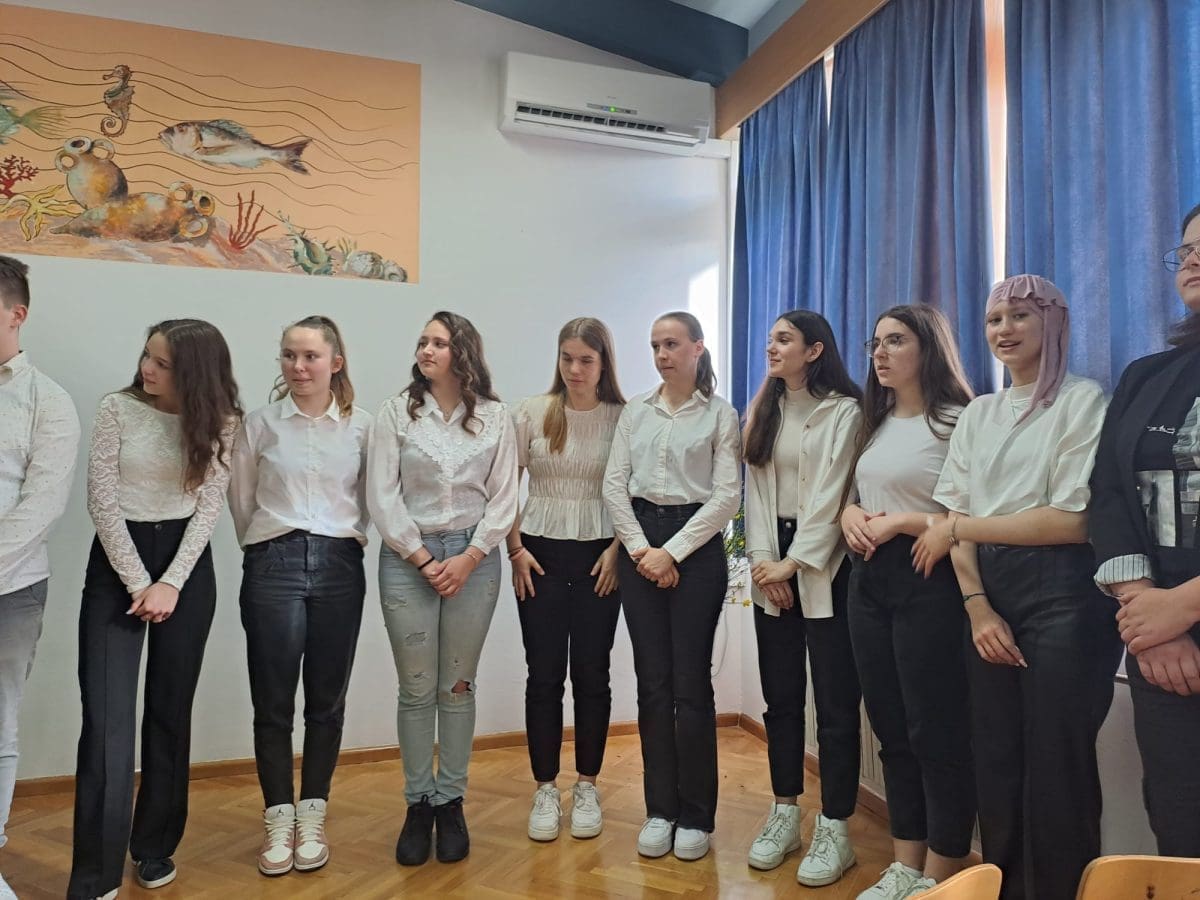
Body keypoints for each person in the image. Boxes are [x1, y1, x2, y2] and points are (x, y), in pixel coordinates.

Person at [917, 275, 1120, 900]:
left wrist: (958, 528)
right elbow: (954, 514)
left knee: (1058, 764)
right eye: (993, 319)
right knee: (996, 758)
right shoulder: (980, 412)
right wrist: (978, 607)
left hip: (1064, 592)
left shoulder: (1083, 401)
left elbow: (1070, 521)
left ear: (1053, 322)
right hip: (987, 587)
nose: (1003, 330)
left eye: (1019, 316)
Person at [68, 319, 242, 899]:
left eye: (163, 363)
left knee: (169, 713)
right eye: (147, 355)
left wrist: (170, 582)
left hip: (186, 568)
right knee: (107, 722)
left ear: (194, 371)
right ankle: (95, 876)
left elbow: (209, 507)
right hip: (118, 561)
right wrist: (140, 581)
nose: (147, 368)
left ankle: (154, 845)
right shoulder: (117, 409)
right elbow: (101, 500)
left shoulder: (222, 420)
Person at [368, 311, 518, 867]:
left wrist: (470, 556)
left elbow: (505, 497)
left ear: (463, 353)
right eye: (422, 342)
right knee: (415, 688)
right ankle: (418, 803)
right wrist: (426, 559)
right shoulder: (396, 413)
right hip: (408, 558)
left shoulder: (496, 417)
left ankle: (451, 801)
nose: (426, 350)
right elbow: (382, 496)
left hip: (475, 559)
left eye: (438, 342)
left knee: (457, 686)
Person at [228, 316, 371, 876]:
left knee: (327, 701)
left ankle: (312, 813)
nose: (298, 366)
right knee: (273, 701)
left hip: (339, 566)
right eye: (289, 355)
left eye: (310, 356)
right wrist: (270, 549)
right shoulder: (259, 425)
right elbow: (243, 503)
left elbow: (371, 499)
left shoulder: (362, 427)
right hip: (274, 562)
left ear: (336, 362)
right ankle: (278, 816)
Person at [840, 305, 975, 898]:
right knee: (891, 729)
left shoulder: (959, 420)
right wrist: (849, 513)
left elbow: (975, 512)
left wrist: (905, 521)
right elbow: (859, 492)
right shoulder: (874, 421)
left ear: (928, 348)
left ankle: (941, 875)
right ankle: (905, 864)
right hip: (869, 581)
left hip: (930, 579)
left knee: (934, 731)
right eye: (876, 343)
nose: (880, 353)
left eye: (895, 341)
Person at [602, 311, 741, 863]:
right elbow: (614, 487)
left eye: (672, 344)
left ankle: (697, 817)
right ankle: (659, 810)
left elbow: (726, 496)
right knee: (653, 684)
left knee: (692, 687)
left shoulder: (721, 415)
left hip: (697, 548)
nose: (662, 355)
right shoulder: (636, 411)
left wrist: (672, 553)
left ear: (697, 348)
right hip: (640, 543)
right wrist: (644, 552)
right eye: (655, 345)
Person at [1090, 202, 1200, 857]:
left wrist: (1181, 606)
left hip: (1173, 616)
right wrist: (1146, 610)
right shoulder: (1147, 376)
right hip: (1161, 645)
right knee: (1180, 823)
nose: (1193, 261)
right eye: (1186, 249)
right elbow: (1108, 494)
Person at [741, 310, 864, 886]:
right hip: (772, 562)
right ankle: (785, 811)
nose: (771, 347)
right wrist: (766, 565)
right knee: (782, 699)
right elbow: (755, 493)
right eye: (770, 339)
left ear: (814, 350)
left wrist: (793, 564)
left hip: (827, 565)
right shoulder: (764, 409)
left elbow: (835, 496)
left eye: (784, 339)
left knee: (836, 706)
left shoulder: (846, 411)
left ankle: (835, 826)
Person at [508, 318, 625, 842]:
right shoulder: (533, 412)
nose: (575, 369)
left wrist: (619, 552)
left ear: (603, 364)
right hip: (539, 555)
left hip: (601, 557)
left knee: (593, 675)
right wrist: (515, 550)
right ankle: (544, 788)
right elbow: (503, 487)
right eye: (567, 358)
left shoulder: (623, 418)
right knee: (544, 674)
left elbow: (633, 492)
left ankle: (587, 785)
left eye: (586, 360)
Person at [0, 255, 81, 900]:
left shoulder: (47, 402)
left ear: (16, 314)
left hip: (13, 589)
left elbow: (42, 505)